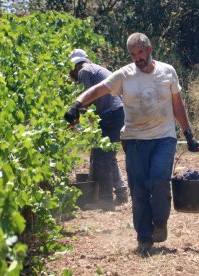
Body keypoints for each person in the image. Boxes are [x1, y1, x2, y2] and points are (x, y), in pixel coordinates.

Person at [64, 33, 199, 253]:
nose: (137, 58)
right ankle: (143, 236)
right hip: (134, 139)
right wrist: (77, 104)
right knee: (138, 189)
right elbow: (98, 89)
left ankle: (161, 221)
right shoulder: (124, 75)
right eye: (133, 54)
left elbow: (177, 105)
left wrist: (189, 134)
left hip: (164, 138)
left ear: (149, 49)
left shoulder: (168, 72)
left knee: (158, 179)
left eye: (140, 52)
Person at [68, 49, 129, 211]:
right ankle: (121, 192)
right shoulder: (96, 68)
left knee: (101, 156)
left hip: (110, 114)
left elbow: (88, 97)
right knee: (108, 155)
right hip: (118, 112)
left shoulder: (83, 72)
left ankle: (106, 200)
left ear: (74, 66)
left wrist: (77, 116)